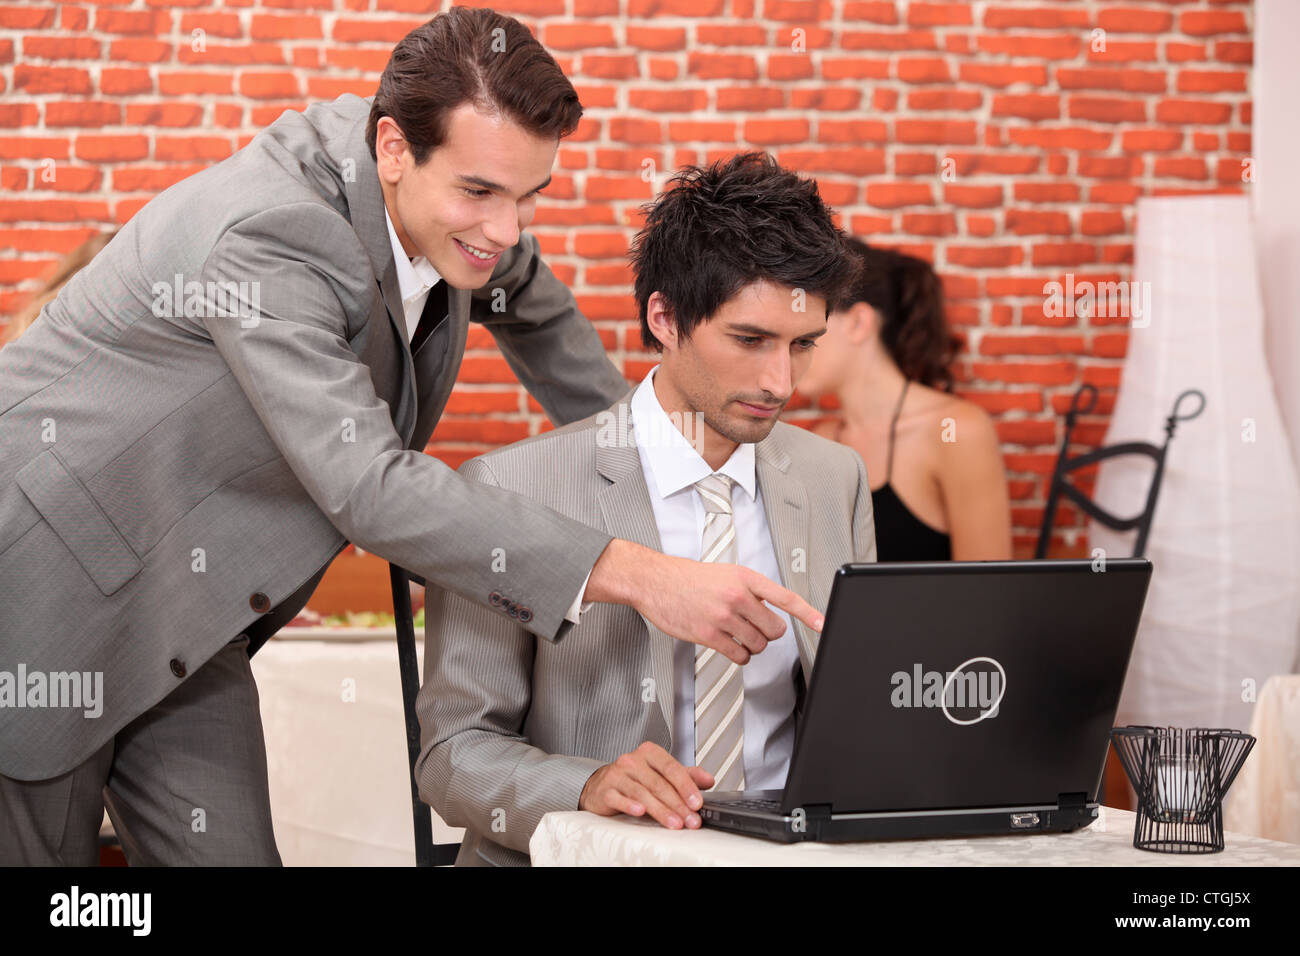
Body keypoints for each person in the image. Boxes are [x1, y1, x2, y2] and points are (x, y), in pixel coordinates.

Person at [0, 10, 822, 866]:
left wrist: (668, 470)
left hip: (186, 608)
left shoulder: (451, 210)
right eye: (482, 193)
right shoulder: (273, 234)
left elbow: (544, 325)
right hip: (44, 587)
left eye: (529, 196)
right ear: (393, 147)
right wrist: (643, 573)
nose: (506, 231)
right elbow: (370, 487)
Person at [416, 152, 877, 866]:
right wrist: (587, 784)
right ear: (664, 317)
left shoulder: (834, 477)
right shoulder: (510, 487)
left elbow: (862, 704)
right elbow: (452, 757)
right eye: (750, 340)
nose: (780, 381)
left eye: (803, 345)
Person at [797, 239, 1012, 561]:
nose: (789, 350)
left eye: (805, 334)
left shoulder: (956, 431)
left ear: (858, 323)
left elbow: (989, 585)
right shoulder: (821, 441)